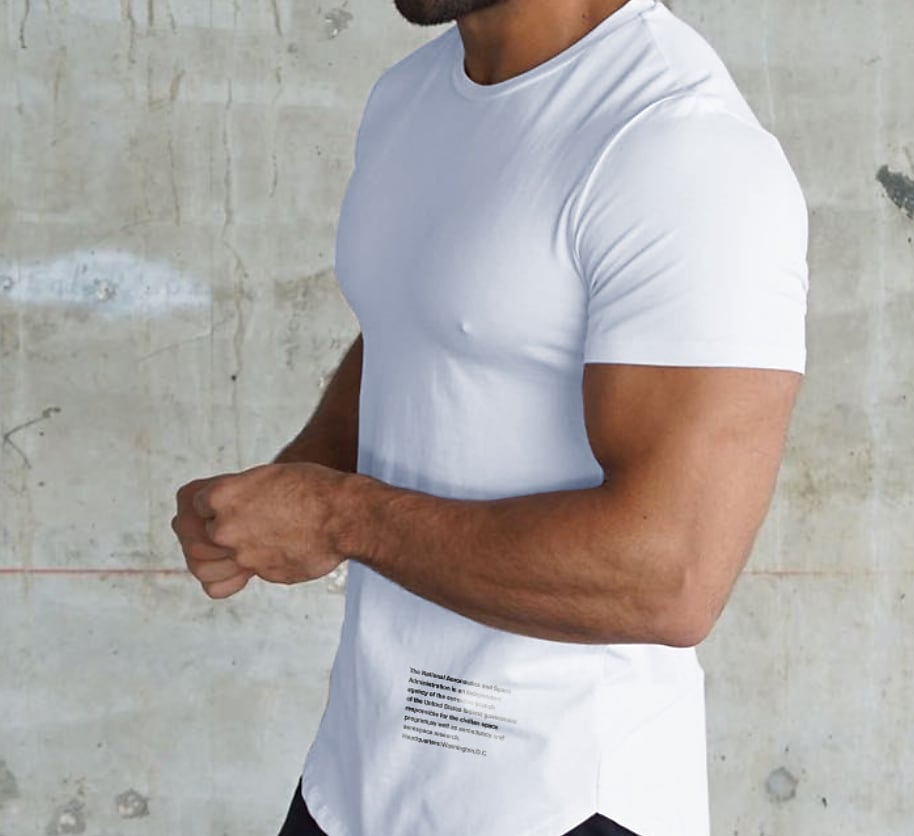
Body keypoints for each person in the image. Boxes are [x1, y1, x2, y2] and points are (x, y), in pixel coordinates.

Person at [171, 0, 809, 833]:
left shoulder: (681, 147)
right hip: (354, 782)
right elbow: (429, 322)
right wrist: (294, 479)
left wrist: (336, 516)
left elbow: (668, 577)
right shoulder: (410, 95)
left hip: (559, 802)